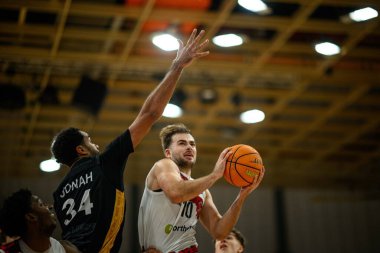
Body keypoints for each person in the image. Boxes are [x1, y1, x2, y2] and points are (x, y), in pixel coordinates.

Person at [50, 29, 209, 253]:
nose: (96, 145)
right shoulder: (103, 163)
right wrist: (177, 66)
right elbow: (150, 114)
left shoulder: (60, 193)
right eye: (90, 141)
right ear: (81, 150)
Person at [138, 123, 264, 253]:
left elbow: (219, 232)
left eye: (192, 144)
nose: (189, 147)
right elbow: (176, 193)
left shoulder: (203, 191)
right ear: (168, 153)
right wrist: (215, 175)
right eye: (182, 143)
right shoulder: (163, 165)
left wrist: (242, 195)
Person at [0, 189, 80, 253]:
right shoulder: (5, 251)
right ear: (31, 217)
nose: (50, 207)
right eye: (41, 204)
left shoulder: (66, 249)